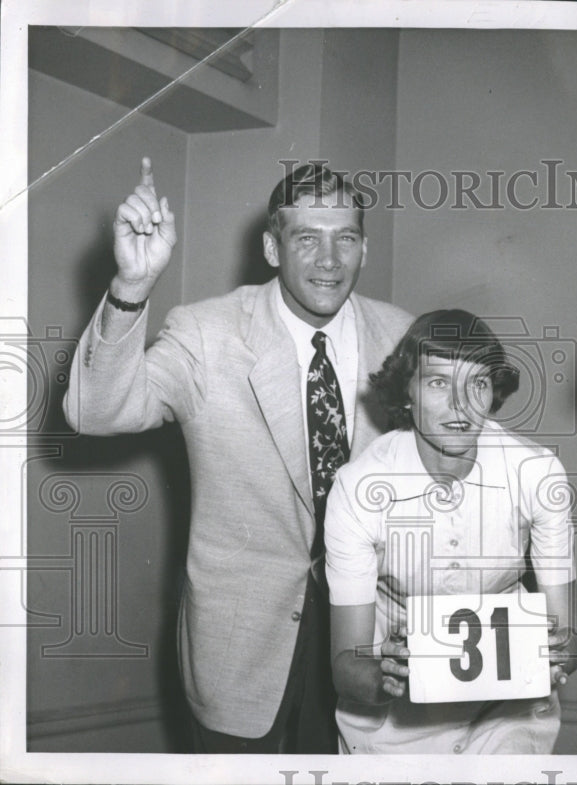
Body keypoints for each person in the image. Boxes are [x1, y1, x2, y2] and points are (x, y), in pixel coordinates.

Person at [62, 158, 413, 753]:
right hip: (240, 655)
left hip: (372, 648)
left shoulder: (402, 335)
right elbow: (95, 412)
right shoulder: (206, 333)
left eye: (345, 239)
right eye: (307, 238)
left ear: (365, 249)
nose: (329, 260)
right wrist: (132, 287)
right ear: (272, 248)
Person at [323, 309, 577, 754]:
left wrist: (555, 656)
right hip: (395, 729)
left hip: (507, 716)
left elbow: (571, 640)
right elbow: (346, 666)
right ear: (406, 391)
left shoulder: (537, 473)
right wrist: (387, 676)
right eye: (439, 383)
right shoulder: (359, 487)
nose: (461, 406)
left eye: (478, 384)